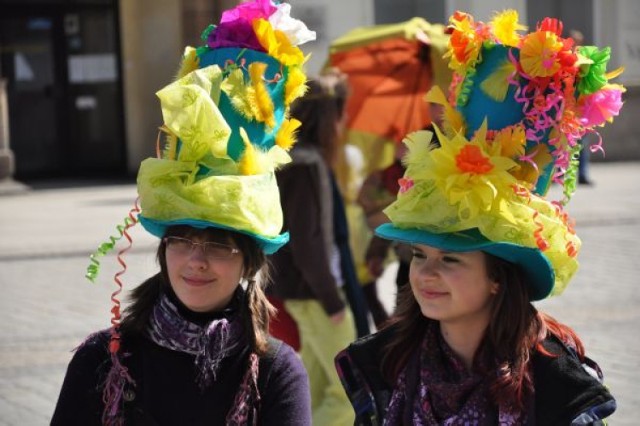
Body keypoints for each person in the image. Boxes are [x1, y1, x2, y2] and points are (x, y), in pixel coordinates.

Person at [336, 10, 624, 424]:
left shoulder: (557, 387)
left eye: (450, 258)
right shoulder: (382, 365)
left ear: (497, 277)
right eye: (419, 254)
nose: (425, 274)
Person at [52, 1, 316, 424]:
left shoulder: (275, 372)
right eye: (183, 240)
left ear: (249, 260)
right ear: (163, 249)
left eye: (219, 244)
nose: (197, 259)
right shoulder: (100, 361)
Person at [268, 70, 367, 426]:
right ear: (330, 118)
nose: (345, 124)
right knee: (348, 392)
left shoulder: (293, 161)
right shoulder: (307, 166)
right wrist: (332, 298)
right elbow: (307, 242)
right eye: (342, 115)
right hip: (315, 294)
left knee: (314, 383)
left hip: (302, 292)